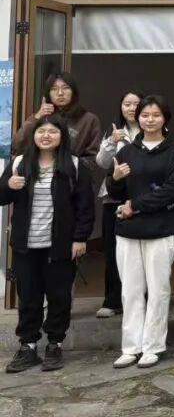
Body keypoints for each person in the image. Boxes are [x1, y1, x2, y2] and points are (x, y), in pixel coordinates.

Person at [2, 116, 94, 373]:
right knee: (28, 298)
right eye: (41, 131)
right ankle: (28, 346)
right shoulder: (20, 163)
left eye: (52, 131)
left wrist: (80, 238)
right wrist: (9, 185)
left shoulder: (74, 165)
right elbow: (1, 196)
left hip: (60, 246)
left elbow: (85, 207)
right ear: (33, 135)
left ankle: (55, 344)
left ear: (62, 136)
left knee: (59, 297)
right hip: (25, 245)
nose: (46, 135)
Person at [106, 95, 174, 369]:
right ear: (137, 118)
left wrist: (135, 206)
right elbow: (114, 190)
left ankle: (153, 346)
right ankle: (131, 347)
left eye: (155, 115)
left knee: (158, 290)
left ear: (165, 119)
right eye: (144, 115)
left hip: (161, 230)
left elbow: (172, 190)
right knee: (130, 291)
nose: (149, 120)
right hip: (128, 232)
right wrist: (115, 179)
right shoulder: (127, 151)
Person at [94, 90, 143, 319]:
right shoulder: (114, 131)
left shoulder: (153, 129)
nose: (131, 108)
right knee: (113, 250)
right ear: (121, 107)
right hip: (114, 196)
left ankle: (140, 298)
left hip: (141, 196)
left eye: (136, 104)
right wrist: (112, 142)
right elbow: (102, 162)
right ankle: (112, 300)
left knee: (140, 251)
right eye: (127, 104)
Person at [13, 71, 102, 174]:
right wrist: (37, 117)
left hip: (72, 177)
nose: (60, 93)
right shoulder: (42, 117)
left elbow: (93, 158)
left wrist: (69, 166)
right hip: (39, 175)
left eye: (65, 88)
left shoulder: (88, 120)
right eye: (54, 89)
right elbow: (17, 146)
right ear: (48, 94)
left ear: (73, 92)